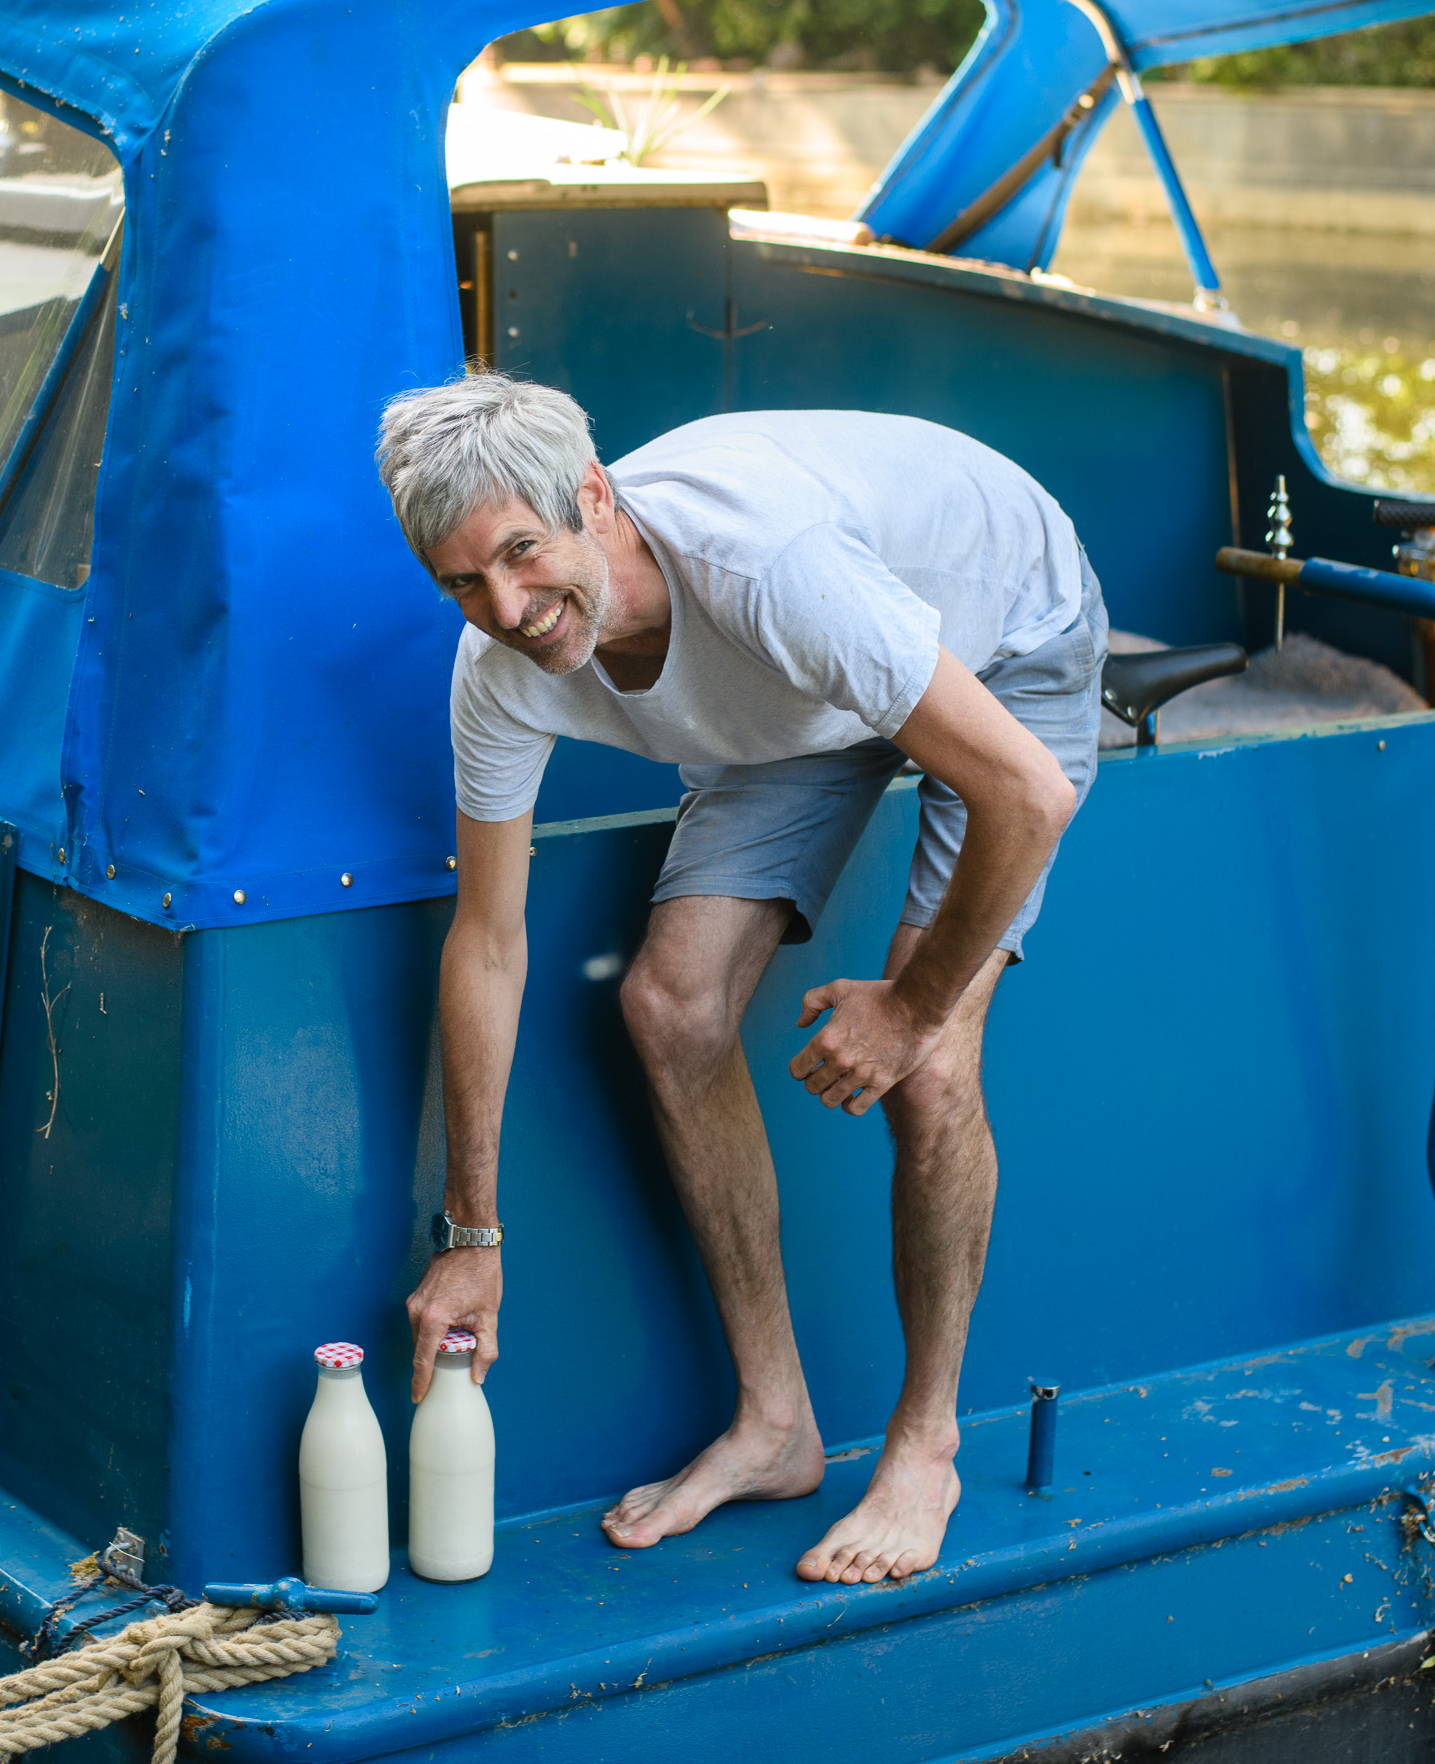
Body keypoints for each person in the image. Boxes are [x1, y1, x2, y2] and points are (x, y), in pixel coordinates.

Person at [377, 372, 1104, 1584]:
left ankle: (925, 1446)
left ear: (593, 498)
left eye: (520, 552)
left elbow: (1029, 793)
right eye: (462, 580)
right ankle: (776, 1423)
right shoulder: (497, 664)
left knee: (926, 1073)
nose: (507, 606)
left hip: (998, 640)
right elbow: (488, 940)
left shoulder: (763, 568)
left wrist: (911, 1011)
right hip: (807, 696)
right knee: (669, 1004)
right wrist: (471, 1230)